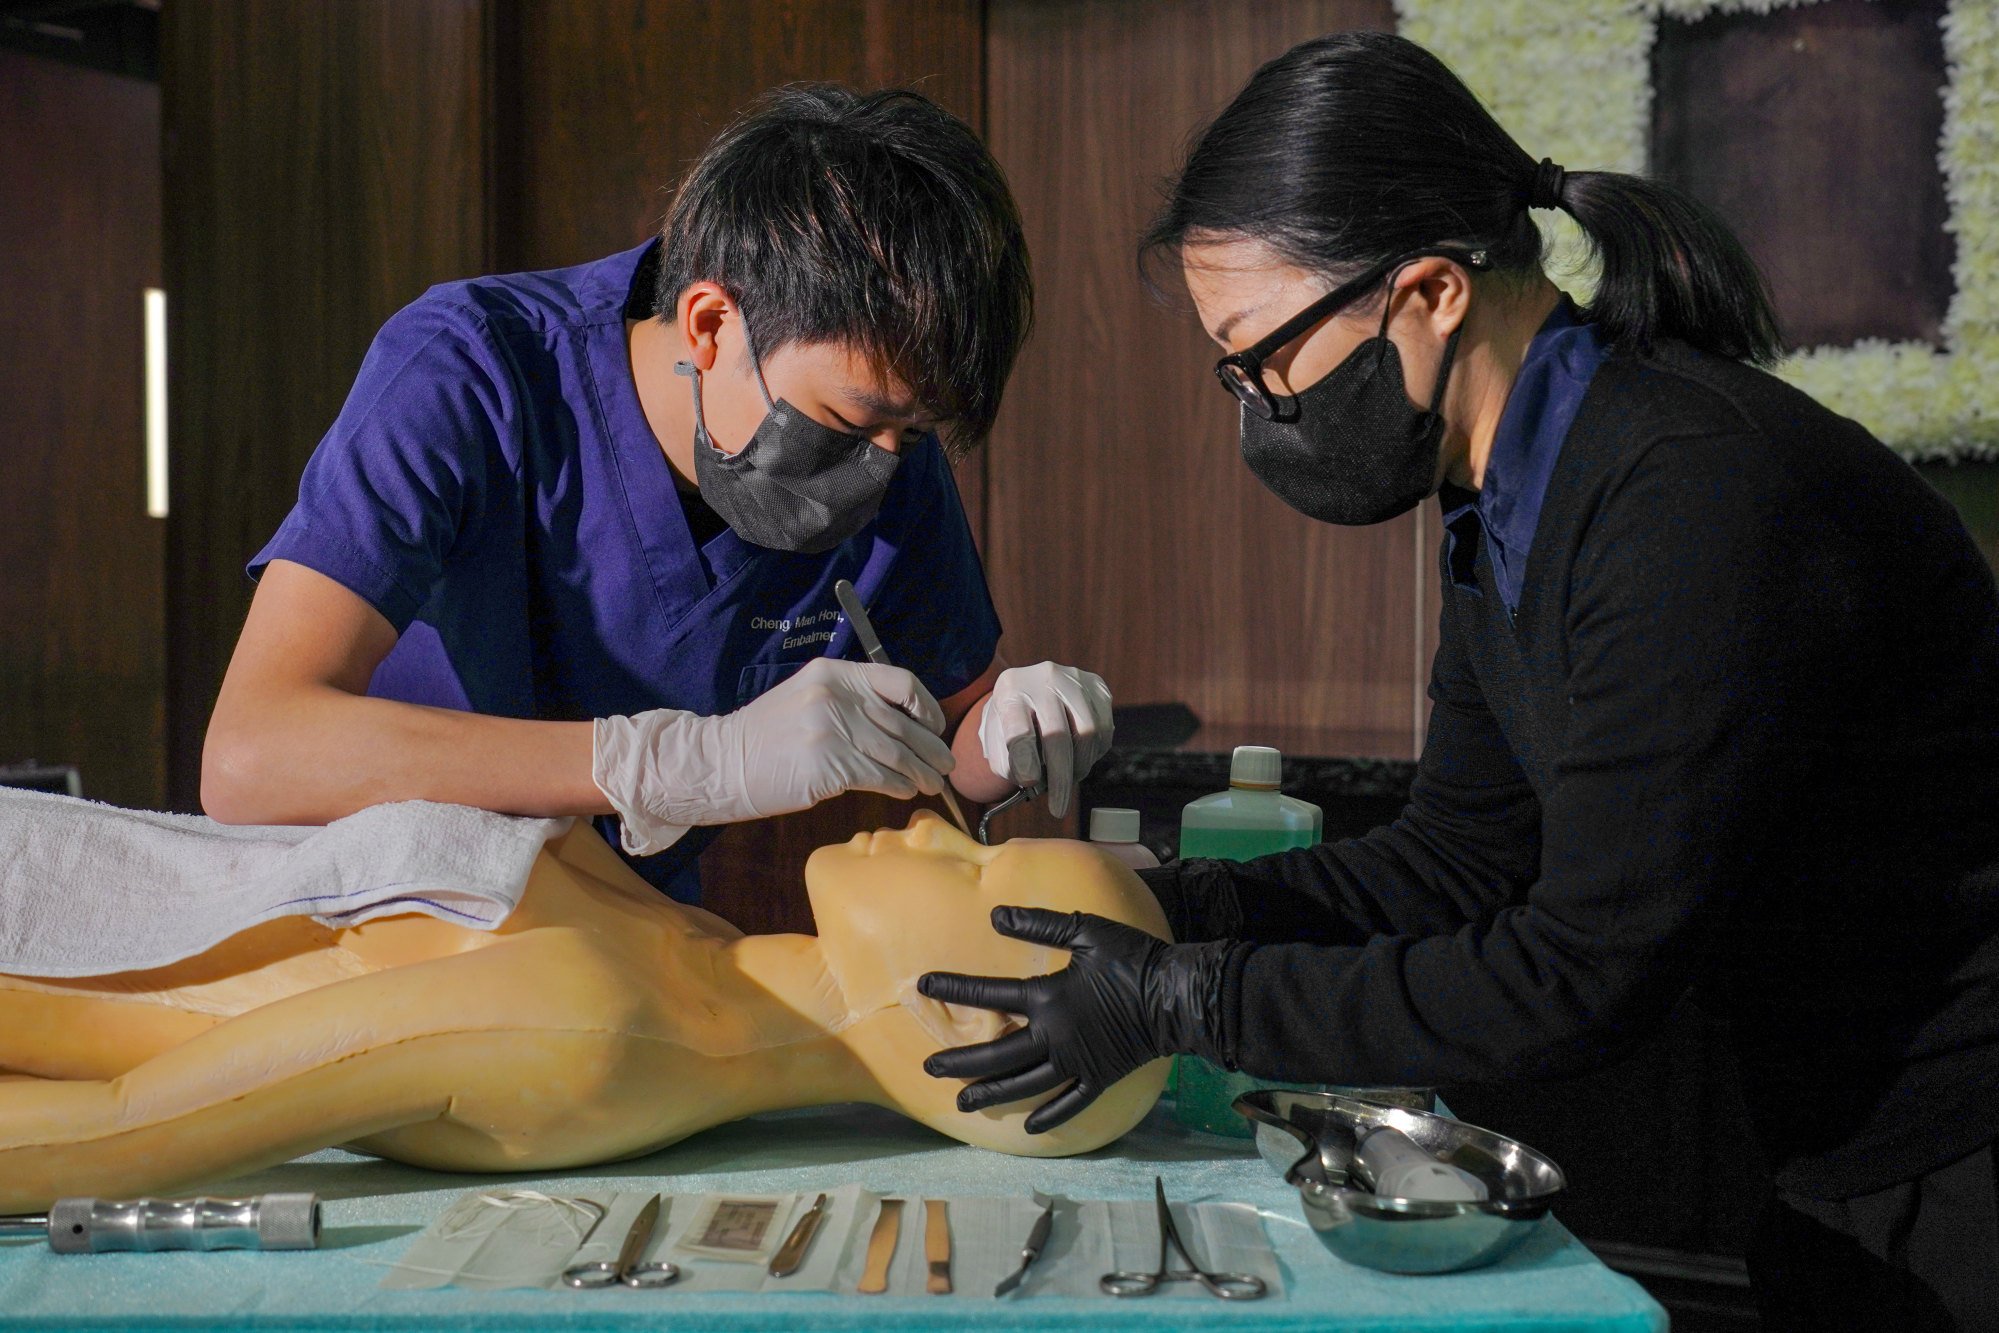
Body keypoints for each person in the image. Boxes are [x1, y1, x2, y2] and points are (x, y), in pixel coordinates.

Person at [919, 31, 1999, 1331]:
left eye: (1264, 358)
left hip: (1961, 1141)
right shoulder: (1503, 500)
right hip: (1826, 1139)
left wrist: (1182, 1000)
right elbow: (1456, 860)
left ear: (1428, 293)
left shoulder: (1688, 497)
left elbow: (1576, 975)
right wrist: (1159, 904)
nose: (1258, 407)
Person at [200, 86, 1113, 903]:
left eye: (910, 434)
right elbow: (253, 755)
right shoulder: (470, 373)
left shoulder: (888, 444)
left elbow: (950, 739)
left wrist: (1011, 730)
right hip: (377, 916)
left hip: (621, 948)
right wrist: (676, 763)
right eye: (850, 419)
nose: (881, 464)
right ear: (710, 323)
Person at [0, 811, 1170, 1212]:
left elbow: (119, 1124)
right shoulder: (695, 949)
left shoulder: (594, 1022)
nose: (932, 826)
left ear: (963, 1021)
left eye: (972, 867)